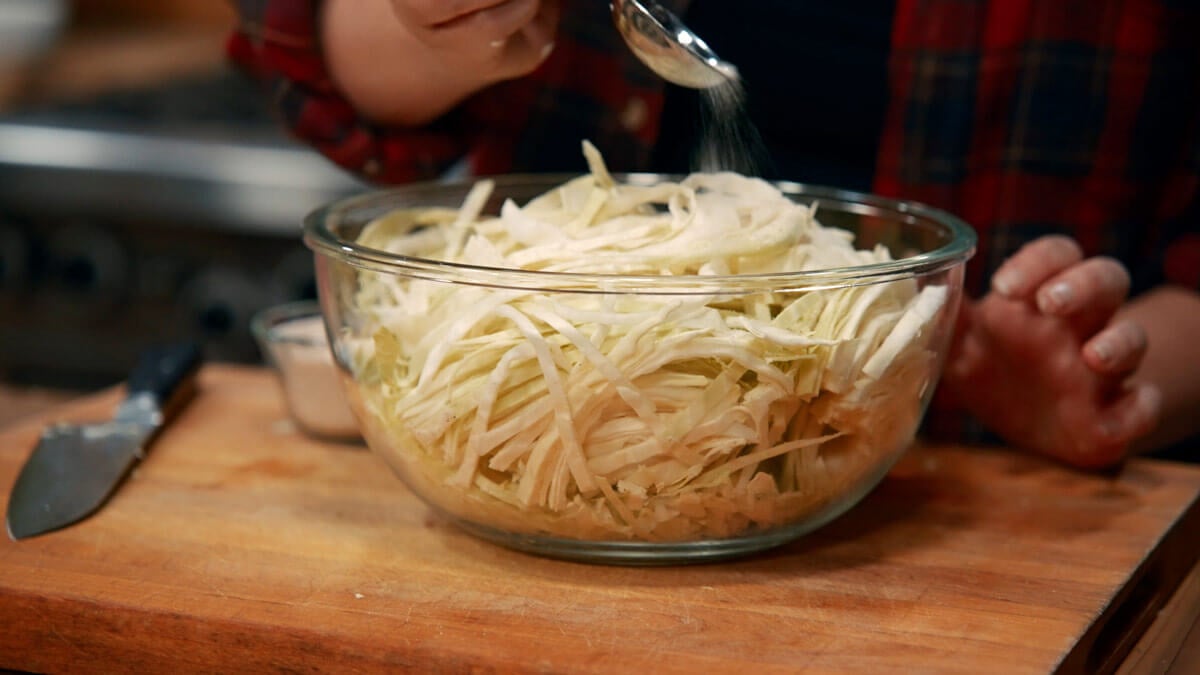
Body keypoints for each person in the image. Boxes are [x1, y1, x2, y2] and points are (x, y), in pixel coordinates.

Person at [227, 0, 1200, 467]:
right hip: (534, 450)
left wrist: (1104, 377)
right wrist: (440, 20)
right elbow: (318, 52)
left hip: (988, 491)